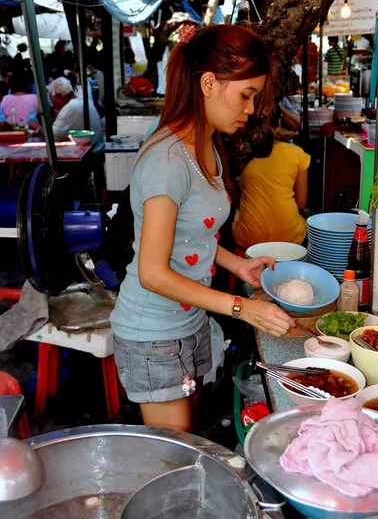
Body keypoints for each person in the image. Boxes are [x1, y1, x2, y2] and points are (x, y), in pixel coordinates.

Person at [109, 24, 294, 433]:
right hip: (153, 334)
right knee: (175, 459)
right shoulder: (167, 161)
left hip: (190, 322)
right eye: (246, 95)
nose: (250, 109)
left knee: (186, 441)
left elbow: (193, 236)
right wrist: (244, 309)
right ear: (209, 83)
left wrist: (237, 265)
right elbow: (153, 273)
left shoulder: (207, 145)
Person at [232, 131, 310, 249]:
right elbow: (301, 204)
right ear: (277, 125)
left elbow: (236, 200)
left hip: (249, 239)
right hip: (291, 239)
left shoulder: (239, 156)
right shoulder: (297, 153)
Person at [29, 77, 103, 151]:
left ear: (58, 97)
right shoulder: (82, 101)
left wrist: (37, 127)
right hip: (97, 149)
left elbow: (53, 136)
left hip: (92, 154)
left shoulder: (71, 107)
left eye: (51, 98)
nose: (51, 103)